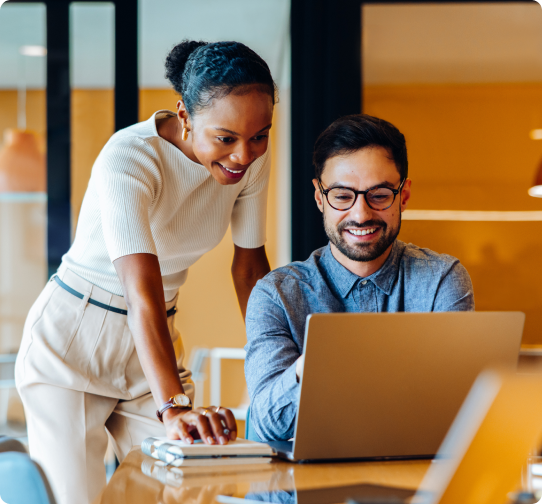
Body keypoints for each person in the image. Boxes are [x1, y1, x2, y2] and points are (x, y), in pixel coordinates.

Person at [16, 40, 276, 504]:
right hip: (73, 343)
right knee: (79, 498)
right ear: (184, 115)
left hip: (153, 342)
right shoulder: (129, 158)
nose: (243, 155)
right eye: (226, 138)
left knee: (185, 491)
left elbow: (250, 268)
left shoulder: (248, 161)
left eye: (260, 135)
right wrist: (173, 406)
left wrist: (278, 361)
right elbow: (141, 291)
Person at [245, 114, 474, 442]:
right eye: (341, 196)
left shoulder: (442, 281)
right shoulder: (276, 295)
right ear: (319, 198)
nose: (361, 213)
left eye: (379, 195)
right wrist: (316, 365)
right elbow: (269, 423)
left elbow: (460, 413)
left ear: (403, 196)